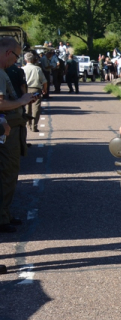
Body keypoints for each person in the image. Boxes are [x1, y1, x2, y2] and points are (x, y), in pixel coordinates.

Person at [0, 37, 38, 233]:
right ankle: (2, 217)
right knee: (7, 173)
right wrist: (22, 100)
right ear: (8, 53)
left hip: (10, 126)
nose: (17, 60)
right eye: (16, 55)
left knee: (8, 173)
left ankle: (4, 214)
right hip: (6, 130)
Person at [22, 52, 47, 132]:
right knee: (36, 108)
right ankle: (34, 126)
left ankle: (27, 124)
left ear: (25, 60)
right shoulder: (37, 69)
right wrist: (45, 89)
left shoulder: (22, 69)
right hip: (36, 89)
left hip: (25, 89)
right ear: (33, 59)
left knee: (27, 108)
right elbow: (44, 81)